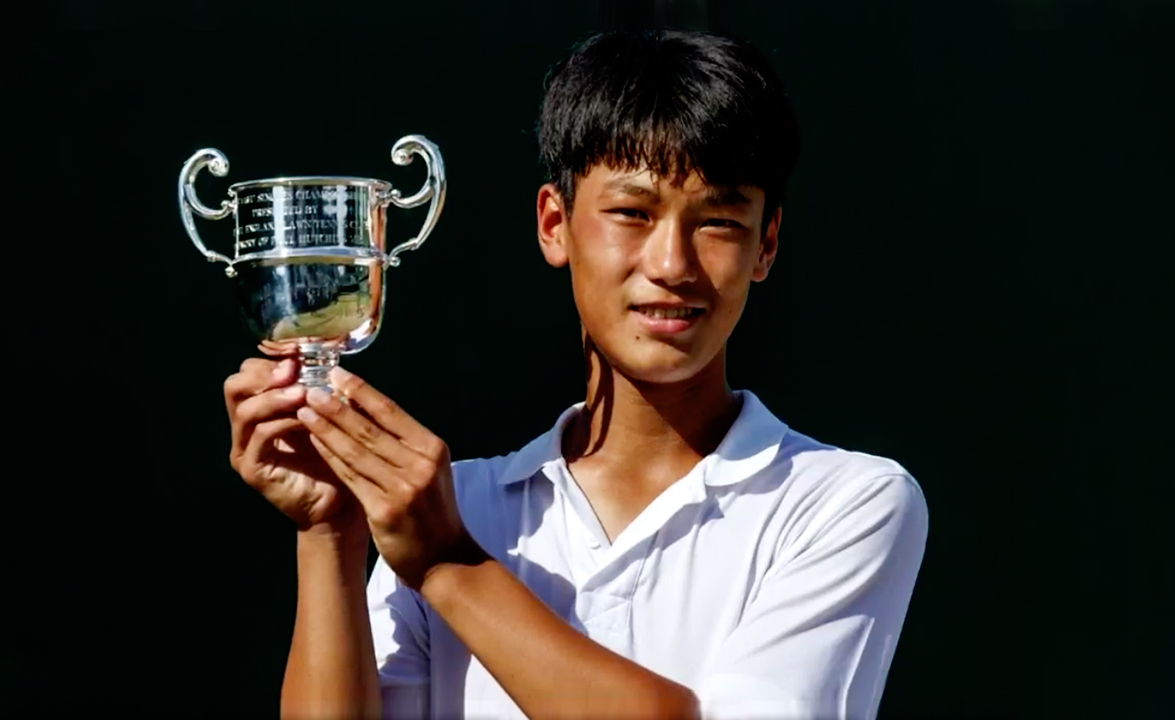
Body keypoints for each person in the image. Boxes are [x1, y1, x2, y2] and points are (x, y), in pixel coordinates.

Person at [224, 29, 928, 720]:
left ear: (766, 243)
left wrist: (447, 565)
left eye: (717, 221)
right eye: (631, 213)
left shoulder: (847, 503)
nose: (672, 264)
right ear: (554, 223)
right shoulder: (449, 505)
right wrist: (329, 537)